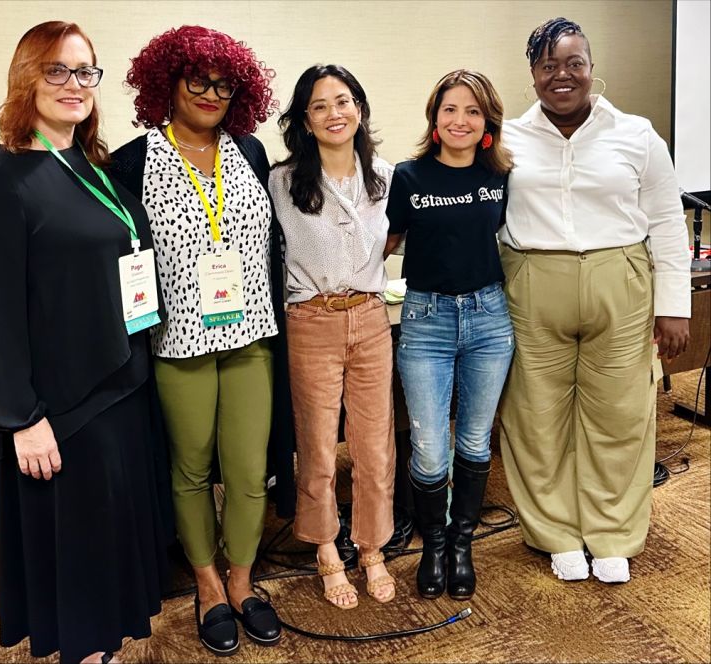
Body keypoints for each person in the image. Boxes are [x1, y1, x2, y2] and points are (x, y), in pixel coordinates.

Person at [0, 21, 168, 663]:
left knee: (110, 549)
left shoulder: (91, 167)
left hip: (123, 386)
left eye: (85, 71)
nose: (74, 85)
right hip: (63, 409)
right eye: (57, 70)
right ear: (27, 78)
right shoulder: (3, 176)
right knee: (79, 557)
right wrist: (21, 418)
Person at [109, 26, 290, 655]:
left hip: (251, 334)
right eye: (198, 81)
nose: (212, 93)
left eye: (224, 84)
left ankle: (242, 581)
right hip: (174, 343)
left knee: (248, 467)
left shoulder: (251, 152)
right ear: (168, 83)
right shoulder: (132, 162)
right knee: (188, 469)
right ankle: (207, 585)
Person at [498, 17, 691, 584]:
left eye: (574, 63)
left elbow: (665, 221)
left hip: (620, 281)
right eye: (548, 65)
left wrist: (674, 304)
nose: (563, 75)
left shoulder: (637, 133)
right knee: (535, 417)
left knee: (621, 414)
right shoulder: (506, 138)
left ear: (590, 66)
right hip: (532, 282)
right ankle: (555, 531)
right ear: (532, 74)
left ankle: (612, 532)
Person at [384, 70, 514, 601]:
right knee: (430, 448)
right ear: (434, 119)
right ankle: (433, 543)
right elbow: (384, 242)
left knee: (476, 439)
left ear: (487, 122)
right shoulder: (408, 176)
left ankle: (462, 544)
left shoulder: (501, 176)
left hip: (489, 319)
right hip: (426, 320)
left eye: (472, 112)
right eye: (450, 110)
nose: (460, 120)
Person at [269, 65, 396, 609]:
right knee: (318, 445)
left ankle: (372, 548)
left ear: (360, 108)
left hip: (370, 318)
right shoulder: (282, 179)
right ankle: (326, 549)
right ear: (304, 119)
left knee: (374, 446)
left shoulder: (386, 177)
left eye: (342, 101)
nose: (333, 113)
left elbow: (393, 240)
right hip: (311, 321)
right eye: (319, 106)